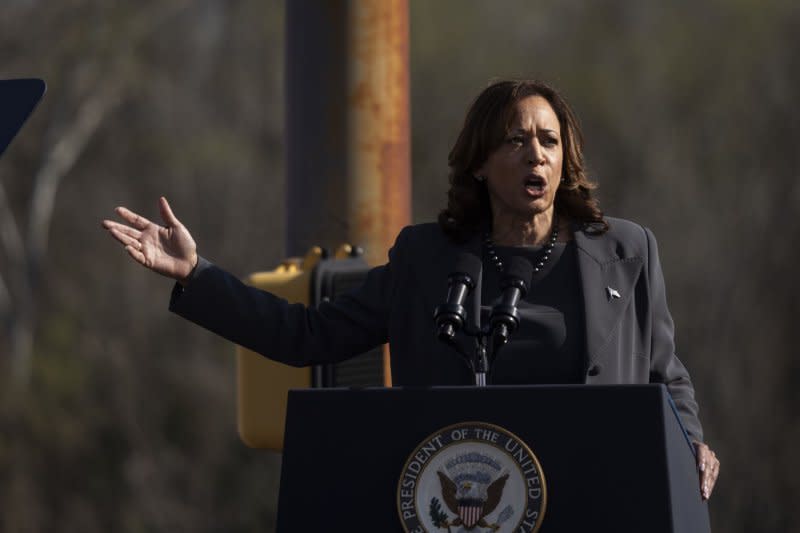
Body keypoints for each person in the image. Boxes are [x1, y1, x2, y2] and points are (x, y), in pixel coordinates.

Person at [103, 79, 719, 499]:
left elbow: (666, 374)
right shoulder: (428, 258)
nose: (537, 154)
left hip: (599, 503)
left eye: (549, 141)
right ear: (479, 162)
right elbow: (307, 336)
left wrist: (692, 443)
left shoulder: (626, 250)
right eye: (516, 139)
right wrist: (197, 275)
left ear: (567, 159)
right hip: (467, 506)